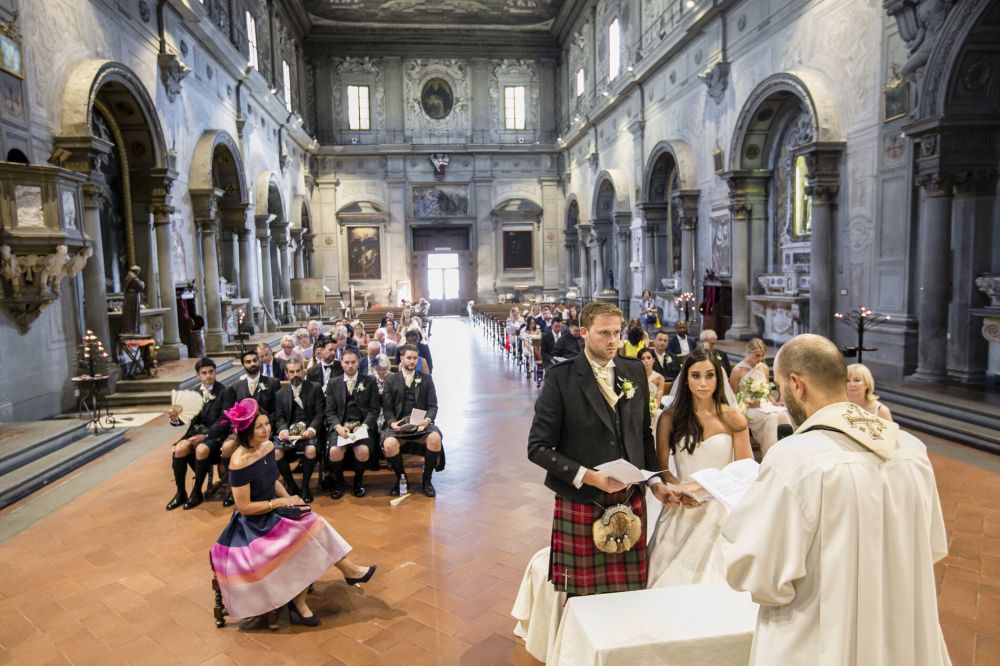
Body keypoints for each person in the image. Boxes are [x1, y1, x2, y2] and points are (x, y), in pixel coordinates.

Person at [721, 334, 950, 666]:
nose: (781, 397)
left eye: (781, 388)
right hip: (902, 636)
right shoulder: (911, 449)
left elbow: (756, 571)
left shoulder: (794, 459)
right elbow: (930, 547)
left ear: (796, 385)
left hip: (820, 640)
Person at [527, 301, 660, 596]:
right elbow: (537, 448)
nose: (613, 341)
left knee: (630, 590)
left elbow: (643, 434)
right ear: (584, 332)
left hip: (629, 497)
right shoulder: (561, 378)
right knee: (582, 595)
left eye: (617, 332)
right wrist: (590, 476)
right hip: (583, 497)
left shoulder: (634, 370)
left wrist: (654, 480)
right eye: (604, 333)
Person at [210, 398, 376, 629]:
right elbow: (244, 507)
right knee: (300, 539)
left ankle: (343, 574)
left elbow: (273, 479)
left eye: (267, 424)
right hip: (253, 524)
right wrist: (278, 503)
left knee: (315, 522)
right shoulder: (238, 462)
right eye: (260, 426)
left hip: (274, 509)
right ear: (246, 430)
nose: (267, 429)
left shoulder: (268, 446)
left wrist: (290, 499)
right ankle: (305, 600)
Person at [646, 348, 752, 588]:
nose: (703, 383)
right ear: (686, 379)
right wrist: (678, 490)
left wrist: (700, 489)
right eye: (696, 376)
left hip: (719, 505)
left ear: (719, 377)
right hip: (682, 503)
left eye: (709, 375)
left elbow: (743, 470)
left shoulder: (733, 417)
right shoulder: (669, 418)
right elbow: (663, 469)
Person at [166, 357, 228, 510]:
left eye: (211, 372)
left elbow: (225, 420)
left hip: (216, 435)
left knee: (201, 449)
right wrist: (175, 419)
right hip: (194, 433)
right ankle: (181, 493)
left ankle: (196, 492)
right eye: (204, 373)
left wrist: (206, 436)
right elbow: (183, 418)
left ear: (215, 372)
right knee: (179, 449)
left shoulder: (225, 391)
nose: (208, 376)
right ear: (198, 375)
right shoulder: (192, 393)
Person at [381, 344, 443, 497]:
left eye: (415, 358)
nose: (412, 361)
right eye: (409, 358)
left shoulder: (426, 379)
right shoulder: (391, 380)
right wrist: (392, 423)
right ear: (401, 359)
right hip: (399, 425)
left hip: (421, 424)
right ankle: (401, 479)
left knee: (435, 438)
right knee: (389, 444)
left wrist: (427, 421)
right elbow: (387, 409)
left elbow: (433, 406)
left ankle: (427, 480)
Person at [325, 348, 380, 499]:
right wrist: (338, 427)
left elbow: (374, 410)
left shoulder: (369, 381)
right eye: (347, 362)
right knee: (335, 452)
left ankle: (358, 481)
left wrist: (364, 426)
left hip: (362, 427)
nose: (350, 365)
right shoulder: (333, 383)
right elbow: (330, 411)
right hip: (341, 427)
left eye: (353, 362)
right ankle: (339, 481)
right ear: (341, 363)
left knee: (362, 451)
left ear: (358, 363)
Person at [730, 338, 793, 455]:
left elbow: (767, 389)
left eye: (762, 355)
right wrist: (747, 403)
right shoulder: (737, 370)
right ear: (748, 352)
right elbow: (732, 395)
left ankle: (786, 451)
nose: (760, 359)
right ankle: (770, 453)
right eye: (757, 355)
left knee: (784, 413)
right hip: (748, 407)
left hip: (765, 405)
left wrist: (773, 402)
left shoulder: (763, 368)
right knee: (773, 418)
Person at [273, 359, 324, 503]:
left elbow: (319, 413)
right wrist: (282, 430)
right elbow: (280, 418)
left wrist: (313, 428)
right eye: (291, 372)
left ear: (303, 371)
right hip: (290, 434)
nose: (295, 375)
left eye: (298, 371)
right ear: (286, 373)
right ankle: (291, 485)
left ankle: (305, 486)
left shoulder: (315, 388)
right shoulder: (280, 394)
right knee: (276, 452)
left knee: (311, 450)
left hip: (309, 431)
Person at [225, 349, 281, 418]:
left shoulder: (273, 383)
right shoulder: (235, 387)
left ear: (259, 362)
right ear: (243, 365)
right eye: (248, 362)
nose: (253, 364)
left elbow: (277, 411)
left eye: (255, 360)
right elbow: (232, 412)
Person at [119, 265, 145, 335]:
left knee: (130, 315)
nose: (138, 273)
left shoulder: (129, 277)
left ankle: (131, 330)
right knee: (132, 315)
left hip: (130, 297)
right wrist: (142, 282)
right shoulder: (133, 278)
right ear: (135, 271)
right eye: (138, 272)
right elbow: (141, 287)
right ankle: (131, 331)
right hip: (132, 298)